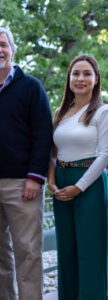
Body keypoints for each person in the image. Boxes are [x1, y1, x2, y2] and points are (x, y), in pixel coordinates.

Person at [0, 27, 53, 300]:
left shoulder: (31, 87)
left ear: (12, 50)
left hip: (22, 183)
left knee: (28, 251)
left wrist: (35, 177)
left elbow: (43, 133)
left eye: (3, 44)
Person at [47, 54, 108, 300]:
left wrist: (78, 187)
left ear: (95, 80)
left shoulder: (103, 112)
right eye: (75, 73)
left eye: (86, 74)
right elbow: (52, 152)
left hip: (89, 184)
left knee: (91, 252)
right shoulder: (60, 112)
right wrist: (51, 181)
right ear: (69, 79)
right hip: (61, 183)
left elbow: (105, 156)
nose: (80, 78)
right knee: (67, 250)